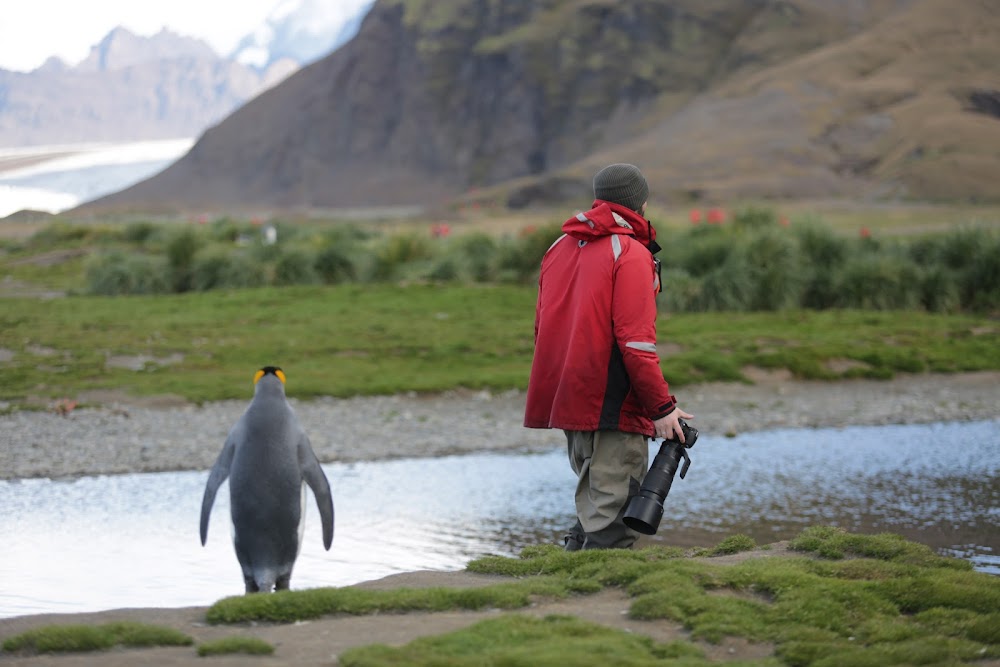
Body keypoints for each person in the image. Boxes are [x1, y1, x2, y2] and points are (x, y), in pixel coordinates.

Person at [524, 163, 694, 551]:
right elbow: (637, 344)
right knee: (613, 517)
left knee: (594, 503)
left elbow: (541, 329)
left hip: (570, 394)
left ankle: (566, 588)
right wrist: (662, 408)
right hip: (612, 401)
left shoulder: (558, 246)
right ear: (641, 201)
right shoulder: (630, 252)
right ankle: (594, 602)